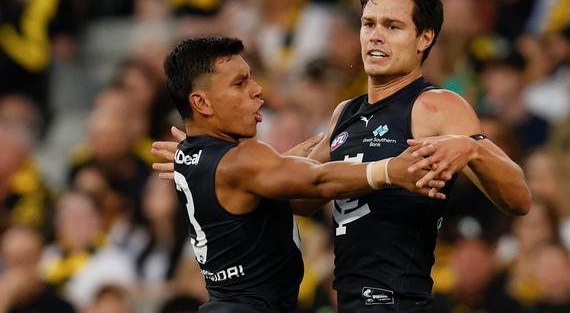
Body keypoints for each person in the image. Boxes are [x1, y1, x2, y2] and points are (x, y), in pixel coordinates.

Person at [154, 0, 531, 312]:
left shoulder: (435, 105)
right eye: (369, 23)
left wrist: (474, 148)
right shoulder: (345, 114)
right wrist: (209, 165)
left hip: (400, 303)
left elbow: (519, 199)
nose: (376, 35)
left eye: (393, 26)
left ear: (424, 38)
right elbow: (302, 194)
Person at [160, 36, 441, 313]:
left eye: (251, 78)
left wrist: (283, 161)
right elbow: (318, 180)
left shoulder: (190, 155)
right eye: (240, 83)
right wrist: (389, 170)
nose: (257, 90)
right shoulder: (240, 159)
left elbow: (261, 184)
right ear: (202, 103)